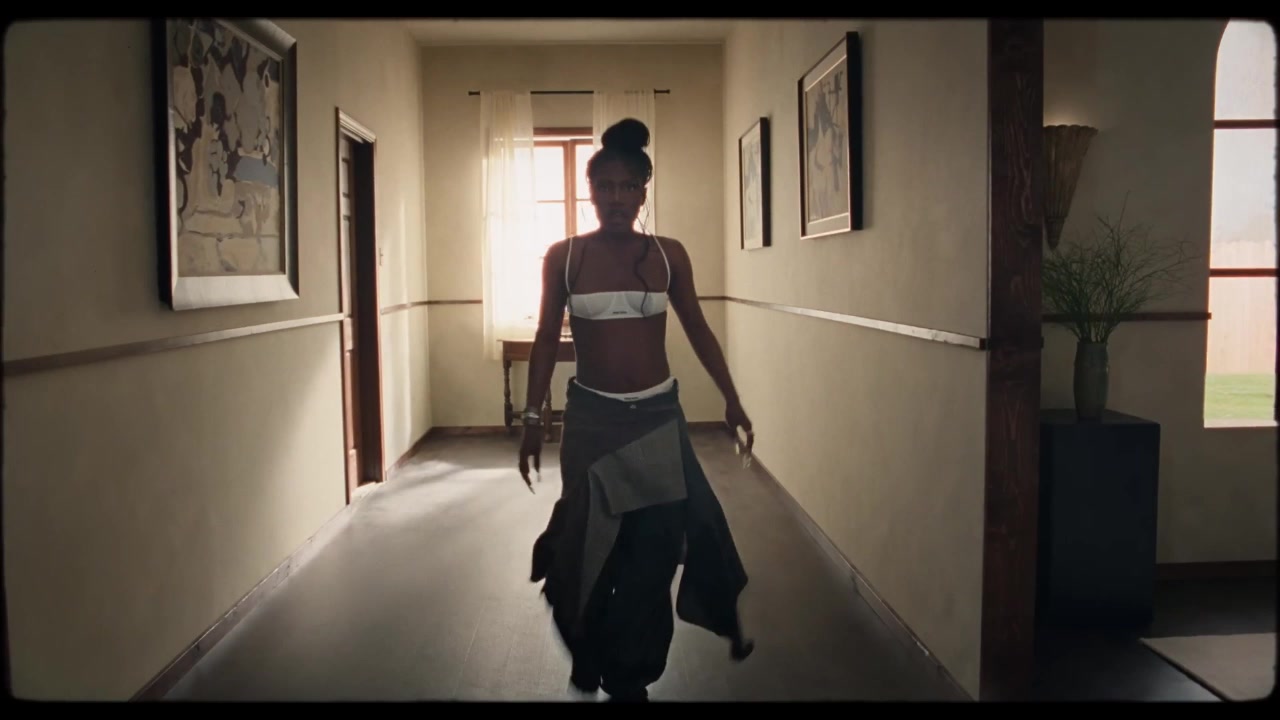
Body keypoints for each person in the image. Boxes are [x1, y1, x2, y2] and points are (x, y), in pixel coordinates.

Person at [521, 118, 755, 702]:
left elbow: (698, 328)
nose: (617, 198)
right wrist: (532, 420)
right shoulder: (565, 257)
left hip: (657, 420)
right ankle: (589, 649)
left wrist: (731, 398)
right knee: (587, 548)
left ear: (644, 192)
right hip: (592, 422)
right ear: (590, 191)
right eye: (605, 186)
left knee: (655, 551)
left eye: (628, 186)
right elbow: (546, 338)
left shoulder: (669, 255)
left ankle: (631, 677)